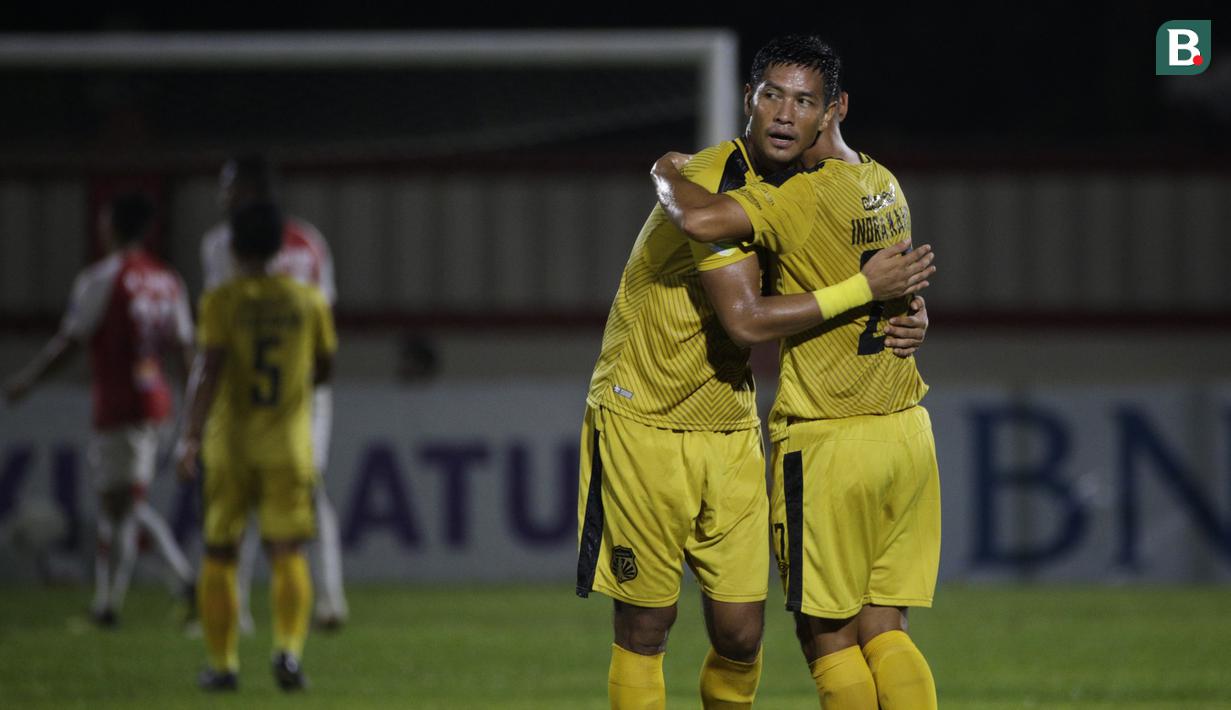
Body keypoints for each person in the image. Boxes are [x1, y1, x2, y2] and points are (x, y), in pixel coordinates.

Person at [578, 35, 934, 709]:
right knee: (647, 623)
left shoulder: (802, 191)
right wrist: (665, 170)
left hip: (730, 422)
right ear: (747, 99)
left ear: (828, 112)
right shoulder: (717, 183)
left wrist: (909, 312)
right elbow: (743, 318)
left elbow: (880, 275)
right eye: (772, 96)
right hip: (643, 416)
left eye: (801, 101)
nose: (783, 114)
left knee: (742, 635)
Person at [3, 192, 196, 627]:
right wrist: (191, 406)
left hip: (121, 404)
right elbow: (186, 347)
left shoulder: (104, 277)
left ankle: (169, 587)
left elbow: (71, 341)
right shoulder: (167, 279)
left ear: (112, 226)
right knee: (123, 506)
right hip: (157, 401)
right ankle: (115, 603)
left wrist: (28, 381)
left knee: (122, 506)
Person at [178, 201, 337, 692]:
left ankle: (223, 665)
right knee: (287, 550)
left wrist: (190, 436)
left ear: (234, 249)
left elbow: (208, 370)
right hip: (287, 443)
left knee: (220, 551)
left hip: (231, 445)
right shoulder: (307, 301)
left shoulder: (222, 301)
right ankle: (288, 651)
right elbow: (325, 368)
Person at [201, 154, 347, 630]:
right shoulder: (308, 242)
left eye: (229, 186)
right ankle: (306, 602)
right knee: (299, 488)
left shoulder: (222, 244)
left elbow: (222, 325)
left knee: (261, 495)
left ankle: (318, 601)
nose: (223, 195)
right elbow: (323, 317)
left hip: (258, 392)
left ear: (249, 188)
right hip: (293, 388)